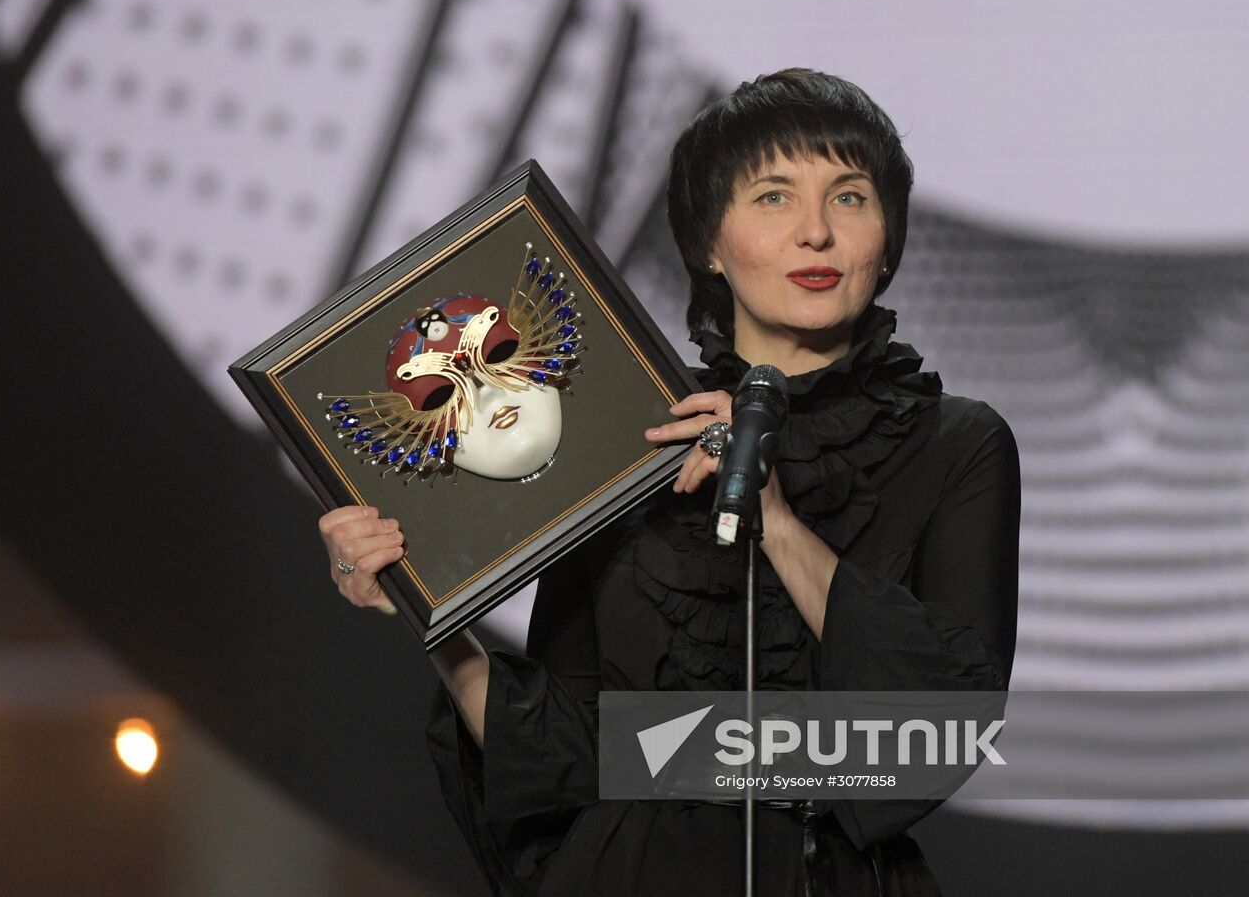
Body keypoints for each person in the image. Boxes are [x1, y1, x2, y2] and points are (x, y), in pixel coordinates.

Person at [319, 68, 1020, 896]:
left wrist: (779, 522)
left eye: (851, 196)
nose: (816, 234)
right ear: (707, 244)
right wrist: (425, 605)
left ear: (889, 239)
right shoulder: (631, 441)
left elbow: (937, 736)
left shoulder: (958, 443)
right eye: (772, 197)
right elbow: (572, 761)